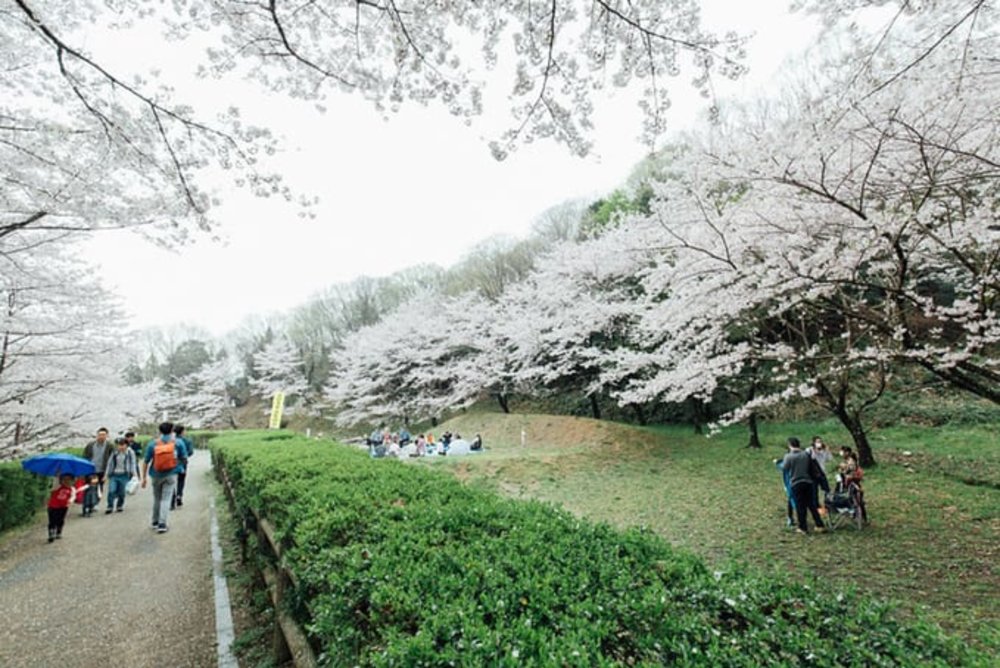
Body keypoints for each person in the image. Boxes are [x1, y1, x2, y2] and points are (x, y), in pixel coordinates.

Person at [780, 436, 828, 534]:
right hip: (808, 482)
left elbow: (785, 468)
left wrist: (778, 463)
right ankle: (819, 525)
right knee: (811, 504)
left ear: (790, 445)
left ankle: (803, 527)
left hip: (796, 483)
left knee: (800, 506)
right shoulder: (806, 454)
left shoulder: (789, 456)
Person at [141, 421, 182, 534]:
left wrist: (144, 478)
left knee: (157, 498)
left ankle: (155, 522)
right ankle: (162, 524)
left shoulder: (153, 444)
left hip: (156, 474)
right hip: (171, 474)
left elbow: (146, 461)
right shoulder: (177, 443)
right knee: (166, 499)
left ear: (160, 431)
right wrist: (179, 468)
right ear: (172, 430)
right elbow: (184, 457)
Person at [104, 437, 138, 514]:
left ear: (126, 445)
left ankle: (119, 505)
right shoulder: (114, 452)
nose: (121, 447)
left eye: (123, 445)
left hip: (124, 475)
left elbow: (133, 463)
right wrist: (106, 475)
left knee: (122, 492)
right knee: (111, 490)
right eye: (119, 445)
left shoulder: (130, 452)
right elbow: (109, 463)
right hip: (114, 474)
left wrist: (134, 473)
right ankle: (110, 506)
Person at [82, 427, 113, 493]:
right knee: (88, 487)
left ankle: (97, 498)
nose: (101, 436)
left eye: (103, 435)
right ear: (97, 435)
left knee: (99, 488)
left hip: (102, 470)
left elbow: (112, 459)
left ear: (107, 436)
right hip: (90, 470)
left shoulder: (109, 446)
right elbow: (85, 456)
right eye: (100, 435)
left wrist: (108, 473)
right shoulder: (90, 445)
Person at [46, 473, 76, 542]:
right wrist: (57, 475)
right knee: (52, 520)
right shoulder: (57, 486)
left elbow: (73, 496)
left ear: (72, 481)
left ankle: (58, 531)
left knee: (60, 520)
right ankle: (51, 534)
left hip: (63, 507)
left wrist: (70, 501)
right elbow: (55, 483)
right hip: (53, 506)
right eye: (64, 479)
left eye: (69, 480)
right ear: (61, 480)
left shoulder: (72, 489)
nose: (66, 481)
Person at [171, 425, 193, 509]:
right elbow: (190, 452)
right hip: (182, 463)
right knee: (181, 480)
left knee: (171, 480)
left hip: (171, 463)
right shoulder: (187, 441)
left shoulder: (170, 440)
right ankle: (179, 495)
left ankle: (172, 497)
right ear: (182, 431)